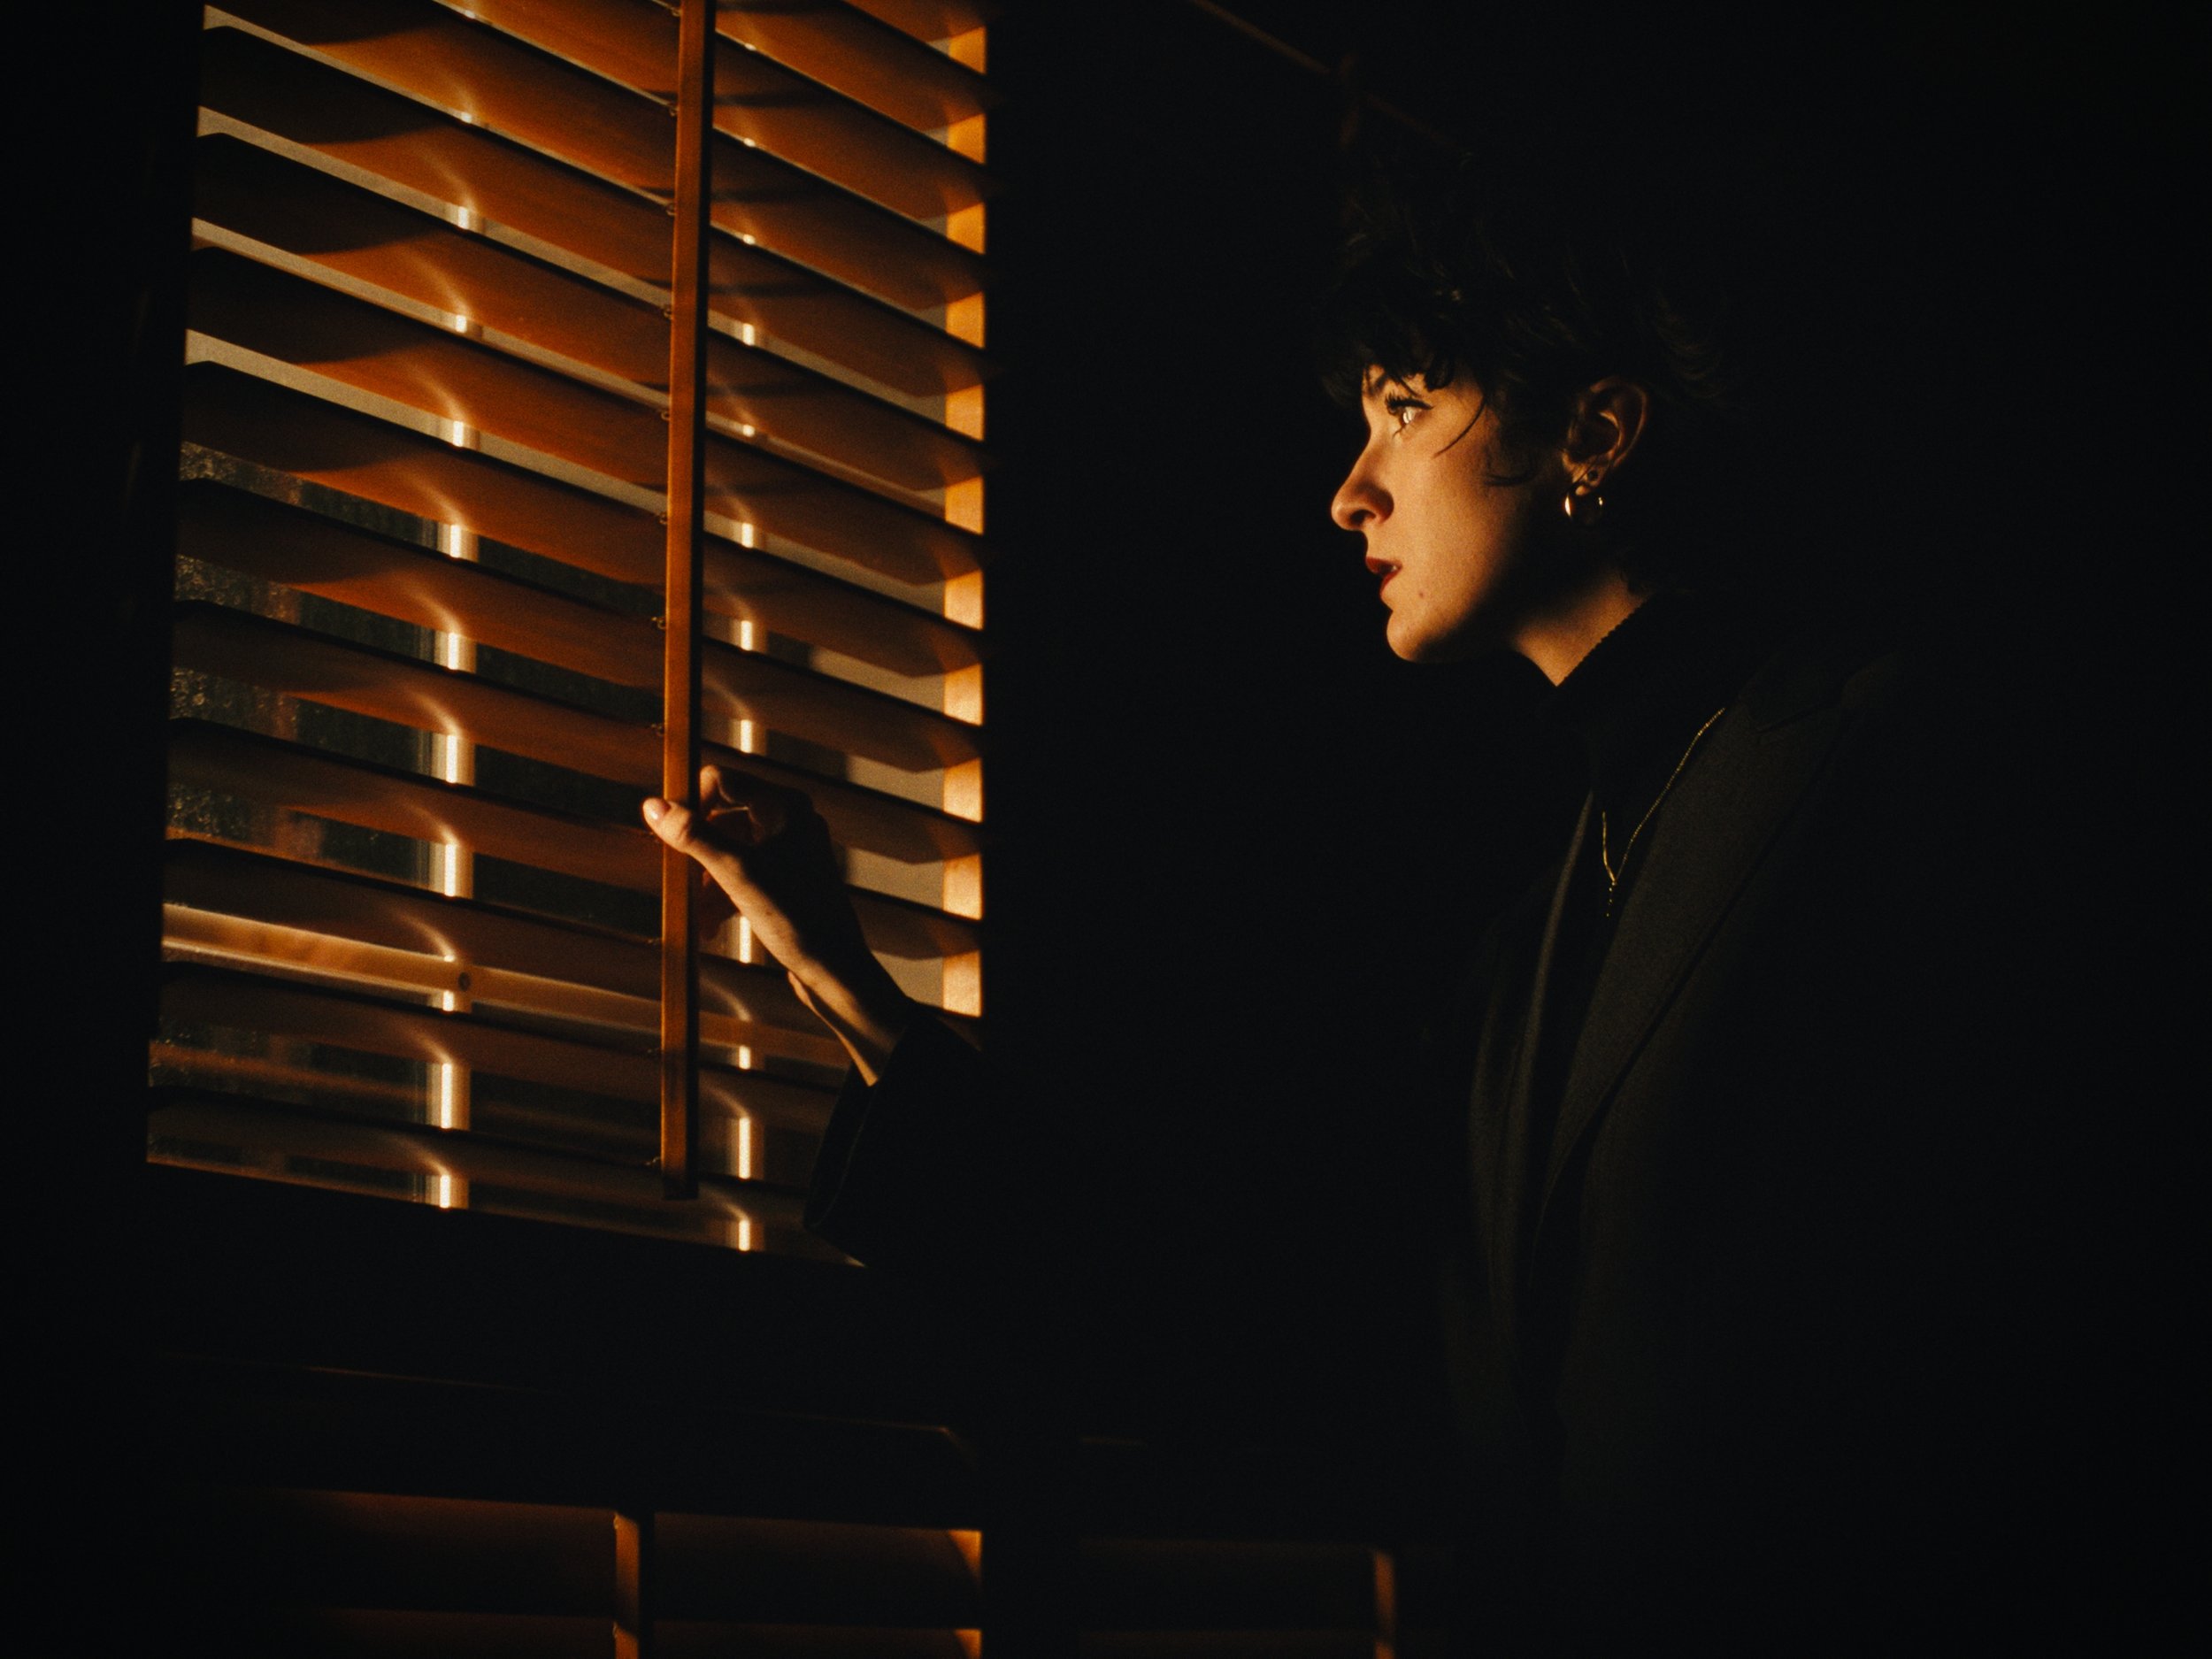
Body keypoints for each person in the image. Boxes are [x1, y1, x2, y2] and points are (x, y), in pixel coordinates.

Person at [643, 142, 2153, 1646]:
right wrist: (853, 995)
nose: (1349, 494)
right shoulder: (1553, 918)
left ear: (1597, 437)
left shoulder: (1902, 768)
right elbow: (1298, 1336)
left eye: (1407, 411)